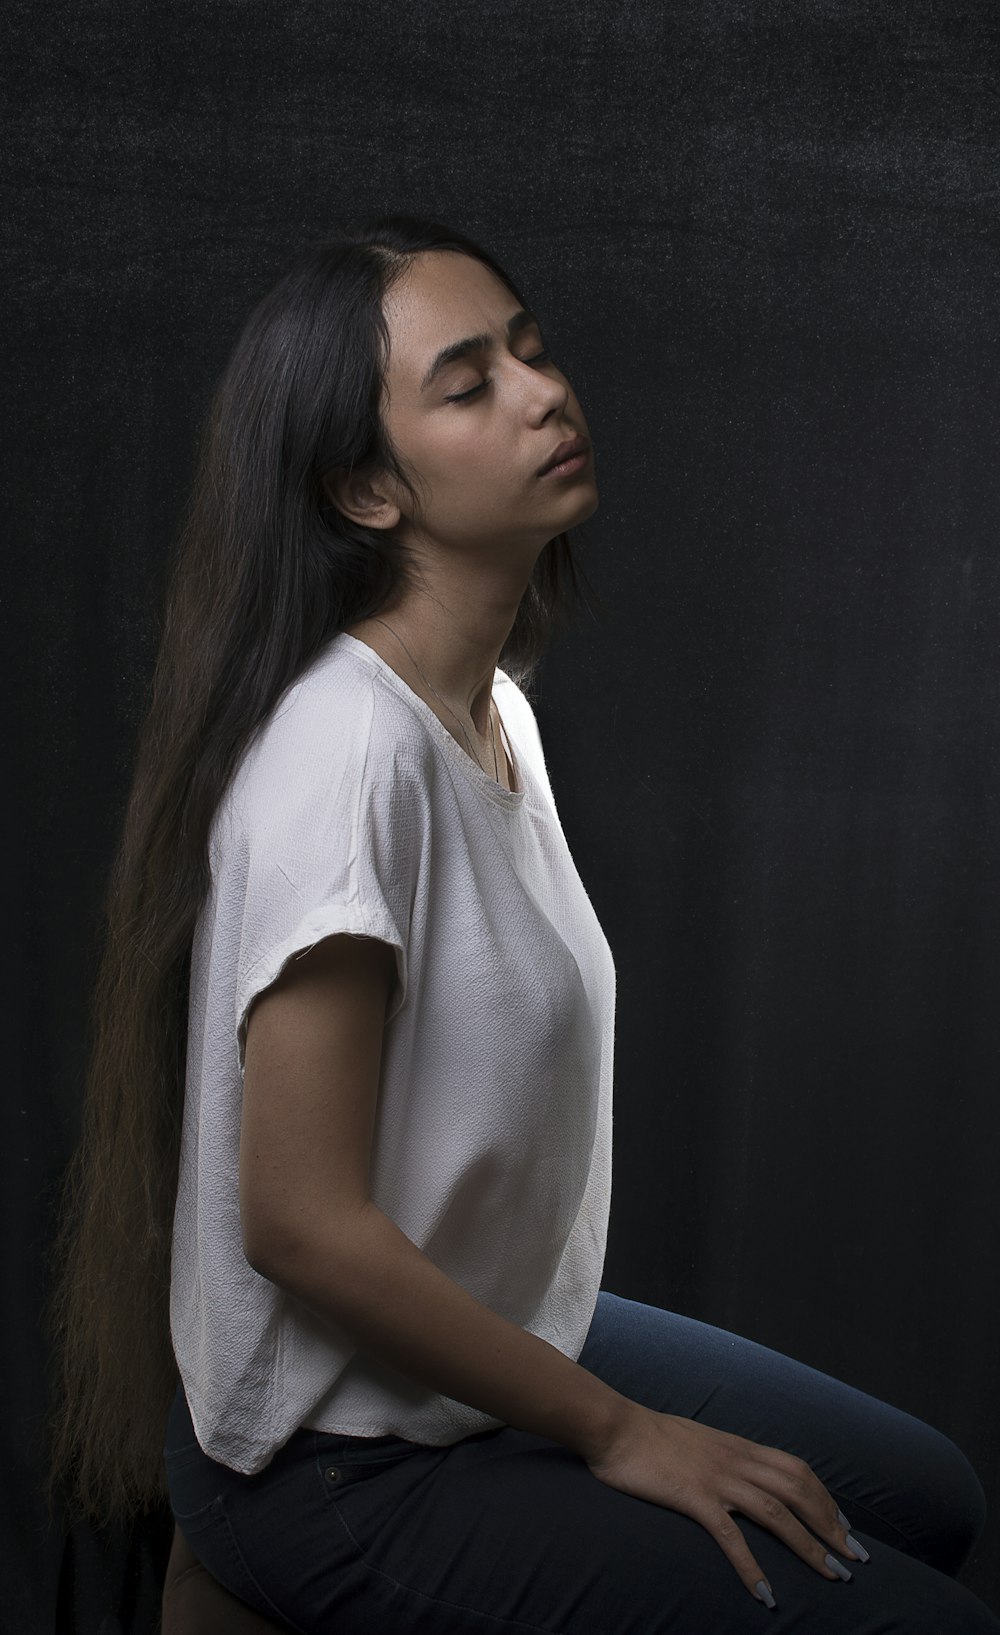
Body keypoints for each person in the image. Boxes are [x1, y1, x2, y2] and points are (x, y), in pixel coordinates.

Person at [45, 214, 998, 1635]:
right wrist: (618, 1431)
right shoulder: (346, 757)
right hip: (335, 1464)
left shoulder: (496, 716)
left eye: (535, 353)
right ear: (367, 488)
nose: (547, 394)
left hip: (468, 1346)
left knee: (929, 1499)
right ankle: (238, 1575)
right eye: (469, 382)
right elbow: (298, 1225)